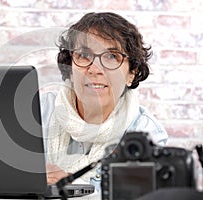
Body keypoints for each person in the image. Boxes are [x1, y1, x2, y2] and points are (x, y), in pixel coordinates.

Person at [40, 12, 168, 189]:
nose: (95, 69)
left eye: (112, 57)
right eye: (84, 55)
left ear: (131, 73)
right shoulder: (39, 110)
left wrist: (73, 187)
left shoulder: (146, 133)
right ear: (70, 67)